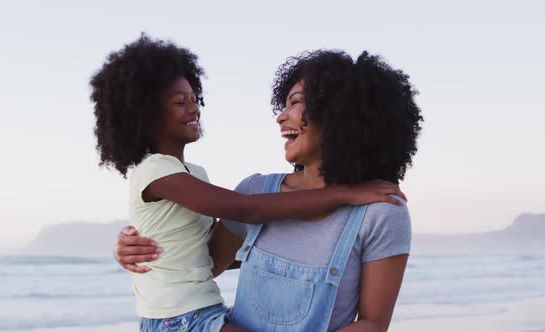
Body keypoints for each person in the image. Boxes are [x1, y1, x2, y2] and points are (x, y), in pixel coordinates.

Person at [91, 34, 407, 332]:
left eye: (295, 103)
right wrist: (137, 250)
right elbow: (208, 259)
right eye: (283, 104)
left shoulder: (380, 211)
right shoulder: (255, 192)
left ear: (341, 112)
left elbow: (373, 324)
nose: (281, 117)